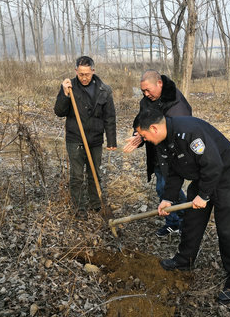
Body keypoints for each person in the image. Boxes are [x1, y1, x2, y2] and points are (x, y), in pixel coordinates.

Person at [134, 108, 230, 303]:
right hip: (203, 174)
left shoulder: (190, 133)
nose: (146, 141)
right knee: (192, 220)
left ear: (153, 128)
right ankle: (184, 260)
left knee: (226, 228)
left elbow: (214, 165)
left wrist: (204, 195)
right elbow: (174, 172)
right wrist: (168, 198)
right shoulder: (163, 141)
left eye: (144, 136)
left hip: (226, 172)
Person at [123, 70, 192, 237]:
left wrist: (146, 136)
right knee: (164, 188)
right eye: (143, 91)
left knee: (166, 187)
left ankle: (186, 221)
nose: (146, 94)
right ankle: (177, 222)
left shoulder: (176, 105)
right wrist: (139, 135)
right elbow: (141, 121)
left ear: (159, 83)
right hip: (156, 151)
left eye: (148, 90)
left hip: (172, 152)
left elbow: (176, 133)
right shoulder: (148, 100)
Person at [54, 56, 117, 214]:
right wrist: (64, 94)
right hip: (75, 139)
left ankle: (96, 204)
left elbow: (109, 117)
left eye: (87, 74)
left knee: (94, 173)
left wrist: (111, 140)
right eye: (80, 74)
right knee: (76, 176)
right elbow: (59, 112)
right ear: (76, 71)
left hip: (95, 139)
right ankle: (79, 208)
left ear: (93, 71)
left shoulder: (104, 89)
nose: (84, 77)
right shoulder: (69, 87)